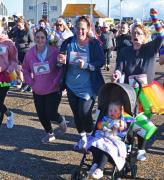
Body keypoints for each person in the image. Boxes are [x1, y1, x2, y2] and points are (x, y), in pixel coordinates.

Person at [112, 8, 164, 161]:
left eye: (139, 34)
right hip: (129, 91)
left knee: (142, 121)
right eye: (134, 33)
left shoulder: (150, 48)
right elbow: (119, 68)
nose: (136, 36)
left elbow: (161, 35)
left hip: (147, 92)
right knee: (128, 119)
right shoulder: (125, 51)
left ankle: (141, 148)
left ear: (145, 36)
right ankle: (128, 143)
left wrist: (154, 19)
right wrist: (117, 74)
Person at [58, 16, 105, 150]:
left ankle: (90, 137)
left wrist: (87, 65)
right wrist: (60, 60)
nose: (80, 31)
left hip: (89, 86)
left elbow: (100, 62)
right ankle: (83, 138)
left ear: (88, 29)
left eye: (83, 29)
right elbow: (60, 60)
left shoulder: (94, 44)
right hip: (71, 84)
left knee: (84, 112)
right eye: (77, 28)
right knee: (76, 114)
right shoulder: (68, 42)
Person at [22, 28, 67, 143]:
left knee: (51, 113)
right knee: (41, 115)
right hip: (38, 89)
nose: (40, 40)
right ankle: (50, 133)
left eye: (42, 37)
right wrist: (31, 82)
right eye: (37, 37)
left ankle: (61, 120)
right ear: (34, 38)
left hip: (53, 88)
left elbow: (61, 68)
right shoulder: (30, 53)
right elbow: (25, 69)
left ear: (46, 39)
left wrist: (56, 81)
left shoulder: (54, 51)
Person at [86, 101, 129, 179]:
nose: (112, 112)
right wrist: (103, 126)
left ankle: (100, 169)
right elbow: (99, 125)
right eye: (110, 110)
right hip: (103, 137)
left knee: (106, 148)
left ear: (120, 112)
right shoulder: (106, 118)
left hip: (114, 140)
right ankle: (95, 163)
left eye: (115, 111)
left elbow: (123, 129)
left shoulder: (121, 121)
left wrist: (118, 127)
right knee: (94, 144)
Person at [13, 17, 34, 92]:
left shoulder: (28, 31)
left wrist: (26, 46)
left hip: (27, 52)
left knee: (27, 69)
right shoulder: (17, 31)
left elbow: (32, 42)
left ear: (23, 24)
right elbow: (12, 37)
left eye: (19, 25)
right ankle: (24, 83)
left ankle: (29, 84)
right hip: (18, 52)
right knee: (18, 69)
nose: (18, 27)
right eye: (17, 25)